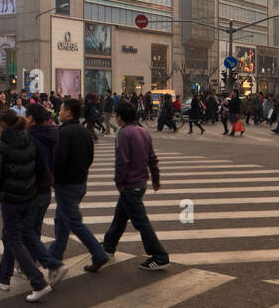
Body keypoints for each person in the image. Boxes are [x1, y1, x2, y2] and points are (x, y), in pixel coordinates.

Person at [0, 109, 52, 302]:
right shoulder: (28, 140)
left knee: (13, 238)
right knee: (10, 235)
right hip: (28, 196)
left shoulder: (1, 144)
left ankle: (38, 281)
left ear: (2, 124)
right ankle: (3, 277)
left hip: (11, 199)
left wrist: (1, 191)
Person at [98, 102, 170, 271]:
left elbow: (122, 160)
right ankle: (109, 245)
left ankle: (160, 256)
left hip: (130, 184)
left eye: (117, 115)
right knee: (121, 216)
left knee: (141, 222)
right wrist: (155, 178)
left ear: (120, 117)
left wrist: (119, 181)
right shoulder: (143, 132)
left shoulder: (123, 133)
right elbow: (152, 158)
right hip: (140, 183)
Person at [47, 98, 110, 272]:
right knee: (61, 220)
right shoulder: (84, 132)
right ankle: (54, 257)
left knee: (74, 222)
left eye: (60, 109)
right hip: (80, 182)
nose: (58, 112)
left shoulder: (64, 132)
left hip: (67, 185)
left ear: (68, 112)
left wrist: (56, 180)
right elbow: (90, 158)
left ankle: (99, 253)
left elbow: (59, 161)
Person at [24, 103, 69, 286]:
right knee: (34, 228)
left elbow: (29, 166)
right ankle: (28, 262)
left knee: (26, 231)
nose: (24, 119)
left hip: (34, 188)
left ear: (32, 119)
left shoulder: (31, 138)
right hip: (46, 188)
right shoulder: (52, 133)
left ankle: (53, 264)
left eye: (26, 116)